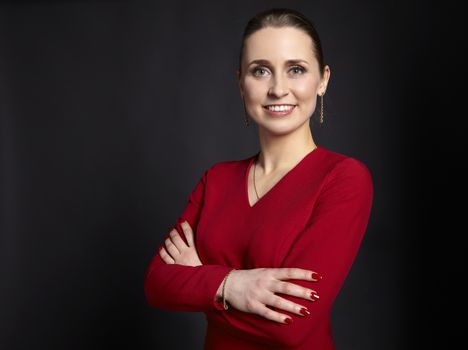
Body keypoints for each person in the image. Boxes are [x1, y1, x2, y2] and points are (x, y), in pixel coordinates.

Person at [144, 7, 374, 349]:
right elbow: (157, 284)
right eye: (261, 71)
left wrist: (202, 283)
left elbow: (292, 326)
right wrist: (231, 285)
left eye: (295, 69)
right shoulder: (217, 180)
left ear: (323, 80)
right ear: (241, 83)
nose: (278, 88)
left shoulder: (343, 178)